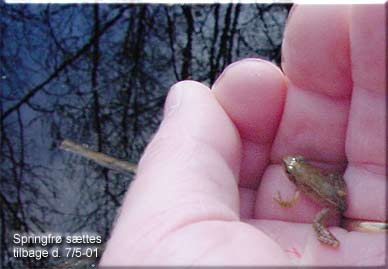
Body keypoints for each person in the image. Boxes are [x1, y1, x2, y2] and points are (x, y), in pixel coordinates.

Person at [100, 5, 386, 266]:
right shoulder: (306, 173)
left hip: (330, 198)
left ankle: (329, 236)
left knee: (318, 222)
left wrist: (286, 200)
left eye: (291, 166)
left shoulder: (300, 181)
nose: (291, 164)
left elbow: (293, 196)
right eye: (290, 167)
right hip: (333, 190)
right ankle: (333, 237)